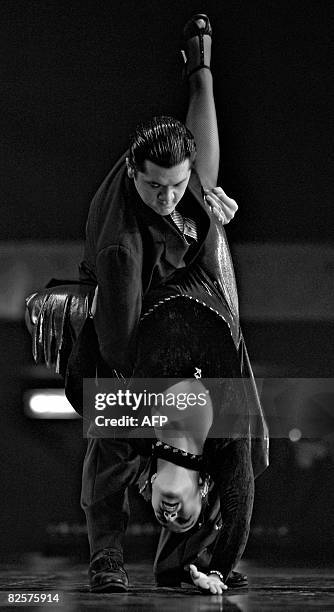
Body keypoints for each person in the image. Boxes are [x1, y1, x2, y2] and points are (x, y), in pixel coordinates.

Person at [65, 13, 269, 595]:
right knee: (116, 440)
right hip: (126, 326)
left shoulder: (183, 181)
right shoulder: (121, 246)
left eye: (177, 186)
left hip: (192, 316)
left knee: (229, 429)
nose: (167, 196)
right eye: (156, 187)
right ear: (134, 172)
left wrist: (207, 210)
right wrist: (142, 405)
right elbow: (120, 343)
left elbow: (199, 169)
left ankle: (186, 560)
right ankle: (106, 557)